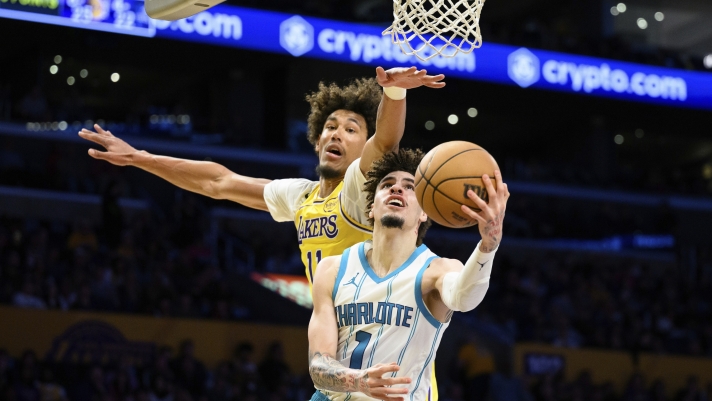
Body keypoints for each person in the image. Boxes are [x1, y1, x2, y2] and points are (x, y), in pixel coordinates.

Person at [80, 67, 447, 399]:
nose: (337, 132)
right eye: (330, 126)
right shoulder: (302, 196)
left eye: (352, 129)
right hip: (344, 355)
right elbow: (219, 182)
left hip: (391, 354)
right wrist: (140, 158)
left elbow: (384, 142)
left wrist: (394, 94)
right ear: (317, 141)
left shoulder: (357, 190)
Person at [307, 149, 509, 401]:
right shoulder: (332, 269)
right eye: (387, 184)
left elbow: (465, 298)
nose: (396, 189)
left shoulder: (438, 270)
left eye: (409, 187)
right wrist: (358, 381)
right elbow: (318, 368)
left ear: (424, 212)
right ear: (371, 208)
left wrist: (488, 246)